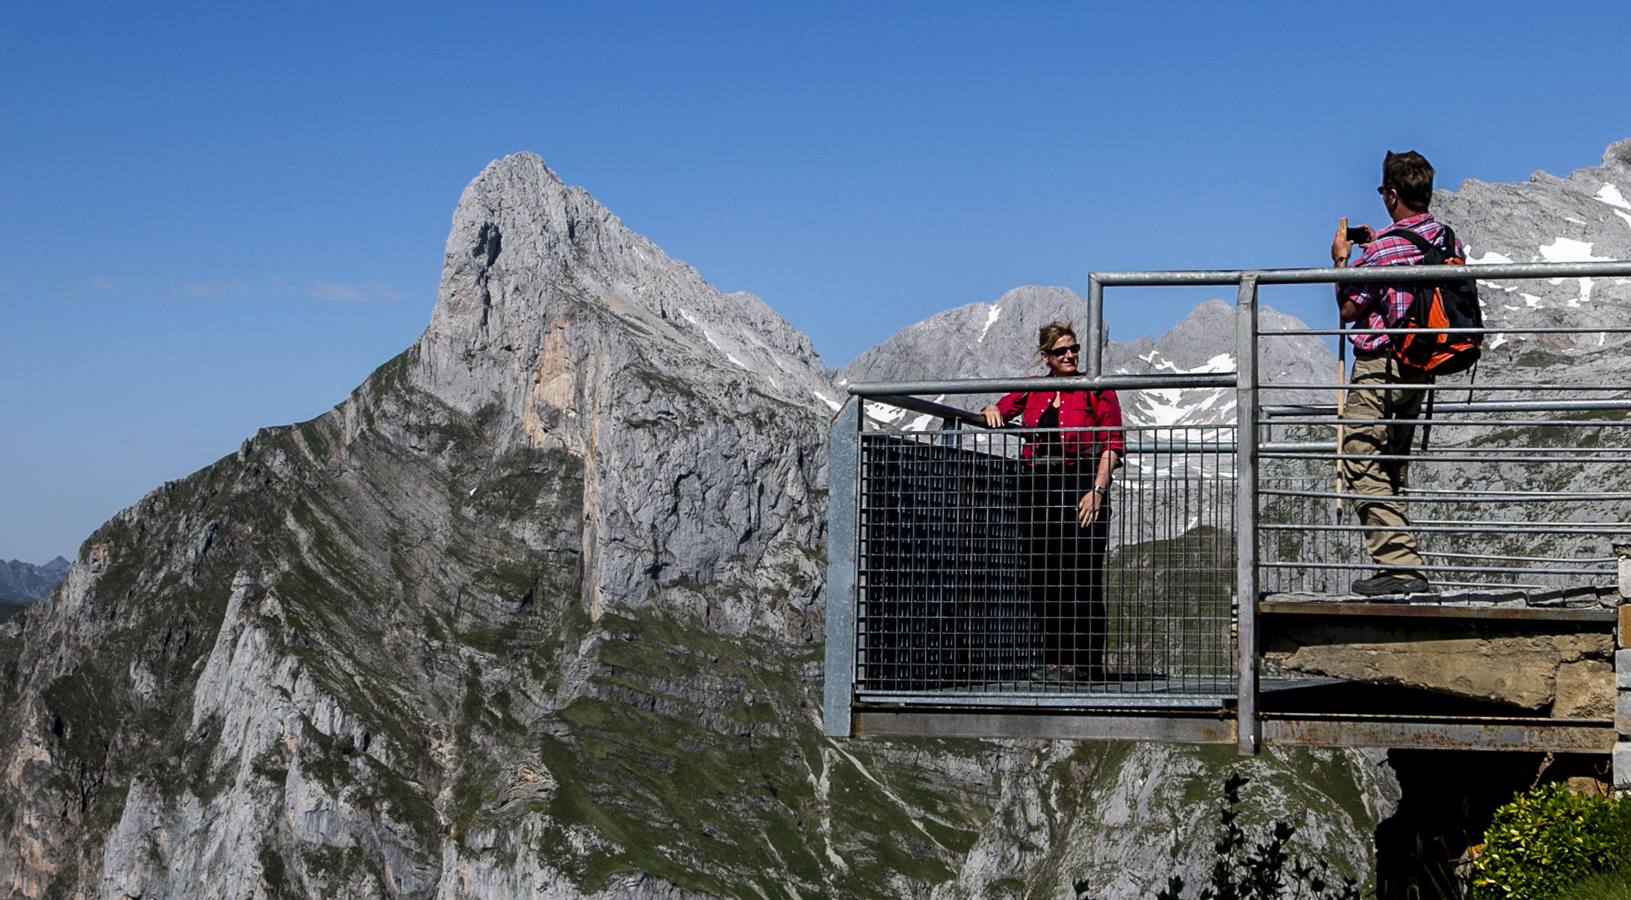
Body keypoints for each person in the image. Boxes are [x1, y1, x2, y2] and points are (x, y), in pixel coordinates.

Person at [1329, 149, 1458, 596]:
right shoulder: (1446, 239)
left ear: (1393, 193)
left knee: (1358, 457)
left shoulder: (1383, 247)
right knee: (1390, 464)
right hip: (1422, 367)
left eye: (1385, 191)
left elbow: (1348, 308)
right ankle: (1403, 569)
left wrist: (1343, 261)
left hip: (1380, 367)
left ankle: (1402, 567)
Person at [980, 322, 1124, 681]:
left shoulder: (1096, 390)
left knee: (1082, 577)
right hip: (1038, 489)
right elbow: (1000, 408)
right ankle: (1054, 660)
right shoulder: (1033, 389)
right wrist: (990, 409)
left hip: (1081, 487)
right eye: (1061, 351)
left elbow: (1112, 445)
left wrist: (1098, 490)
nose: (1070, 356)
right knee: (1043, 575)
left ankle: (1085, 663)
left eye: (1073, 349)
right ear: (1046, 356)